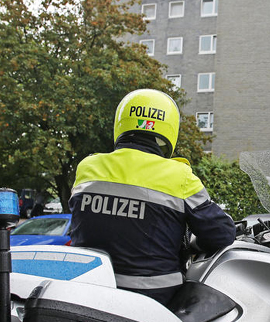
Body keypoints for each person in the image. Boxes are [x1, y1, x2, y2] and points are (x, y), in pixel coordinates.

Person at [69, 89, 236, 304]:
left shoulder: (87, 167)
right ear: (169, 128)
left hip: (89, 293)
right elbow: (222, 234)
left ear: (121, 123)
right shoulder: (180, 175)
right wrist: (193, 244)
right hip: (154, 300)